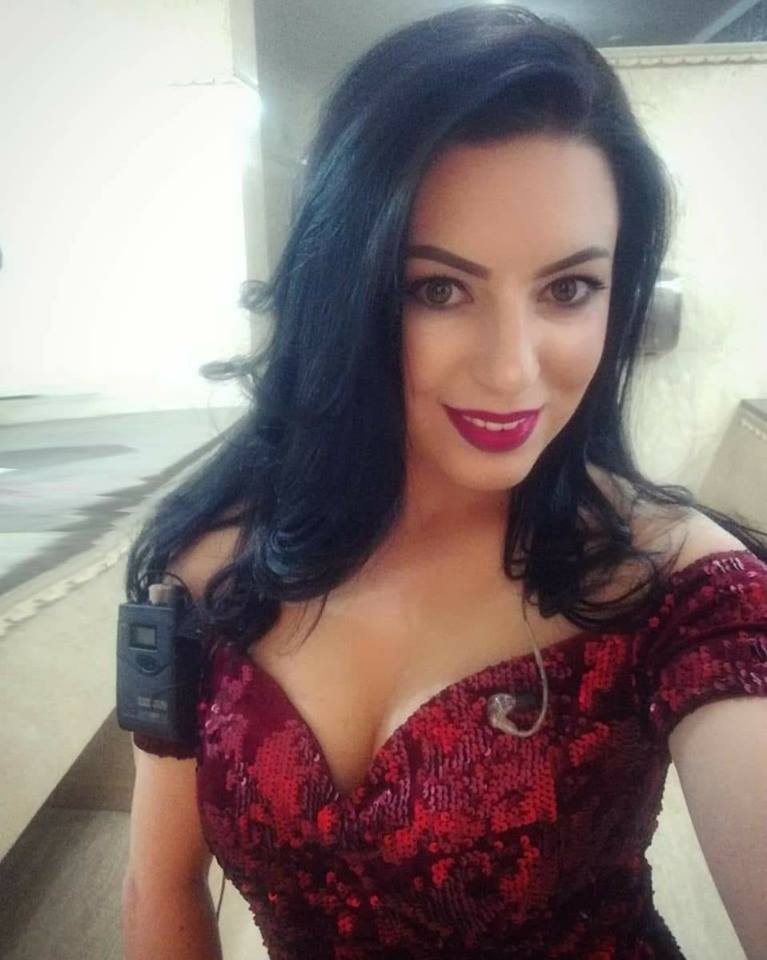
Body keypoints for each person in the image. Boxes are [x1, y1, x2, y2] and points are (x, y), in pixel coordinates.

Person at [120, 5, 767, 959]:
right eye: (438, 288)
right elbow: (161, 883)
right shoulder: (210, 563)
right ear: (346, 290)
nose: (511, 369)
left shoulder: (681, 590)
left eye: (567, 289)